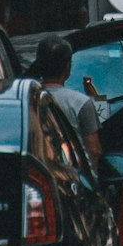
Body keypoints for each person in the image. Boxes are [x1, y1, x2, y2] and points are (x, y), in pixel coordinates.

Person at [32, 34, 102, 166]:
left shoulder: (28, 100)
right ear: (67, 67)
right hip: (78, 177)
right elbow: (94, 151)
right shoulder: (81, 102)